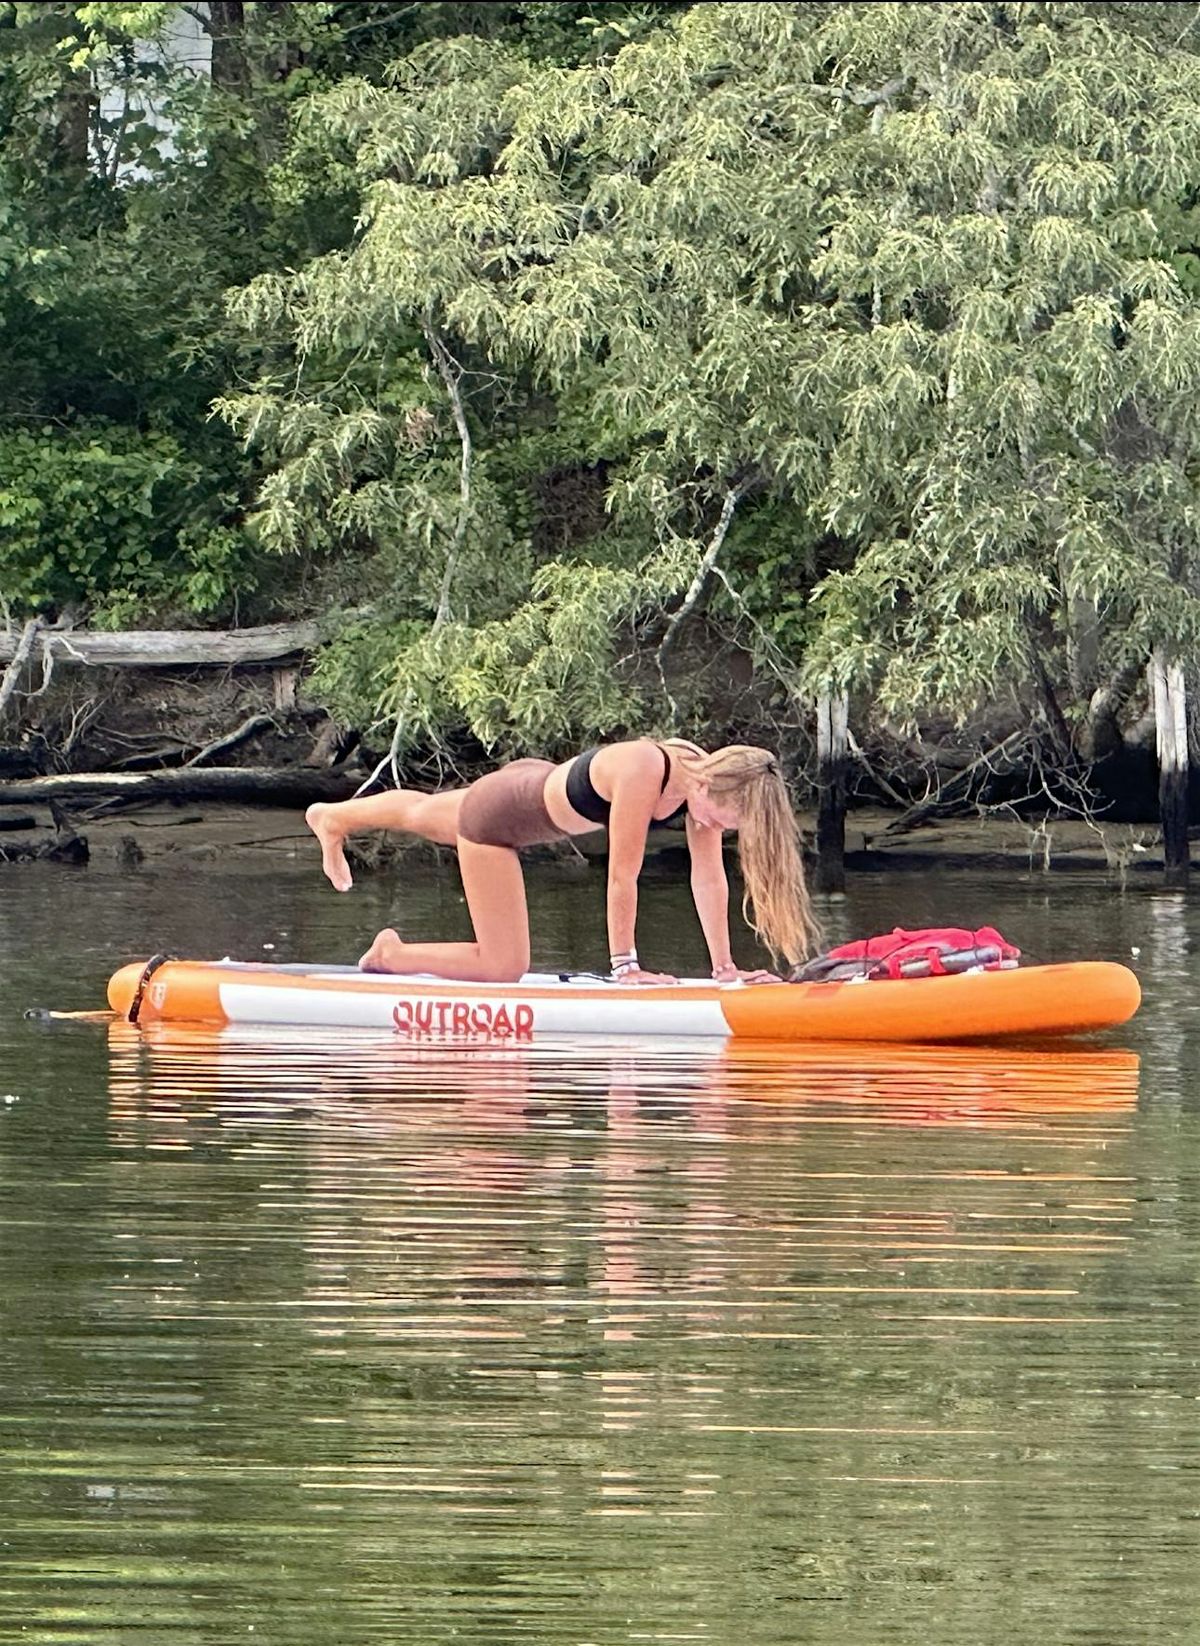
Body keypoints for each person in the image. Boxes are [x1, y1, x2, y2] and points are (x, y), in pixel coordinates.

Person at [305, 738, 819, 985]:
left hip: (527, 789)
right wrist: (627, 969)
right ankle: (391, 954)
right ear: (709, 784)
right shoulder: (648, 771)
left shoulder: (700, 783)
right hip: (502, 819)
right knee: (505, 965)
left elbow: (707, 879)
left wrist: (725, 969)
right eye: (728, 817)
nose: (723, 828)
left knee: (421, 811)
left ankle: (333, 817)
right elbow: (622, 876)